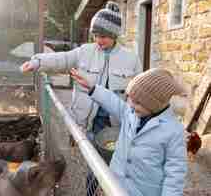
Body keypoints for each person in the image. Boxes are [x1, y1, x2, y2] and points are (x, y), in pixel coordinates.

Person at [21, 1, 142, 195]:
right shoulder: (85, 52)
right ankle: (91, 191)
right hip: (89, 122)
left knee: (117, 167)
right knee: (95, 166)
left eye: (103, 36)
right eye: (95, 35)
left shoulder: (131, 58)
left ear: (114, 35)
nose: (98, 40)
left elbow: (139, 90)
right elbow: (62, 59)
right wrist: (37, 62)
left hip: (116, 125)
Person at [71, 68, 188, 196]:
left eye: (137, 102)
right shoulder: (131, 113)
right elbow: (113, 102)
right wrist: (92, 88)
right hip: (116, 185)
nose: (131, 105)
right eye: (131, 99)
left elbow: (175, 174)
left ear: (154, 104)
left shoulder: (173, 131)